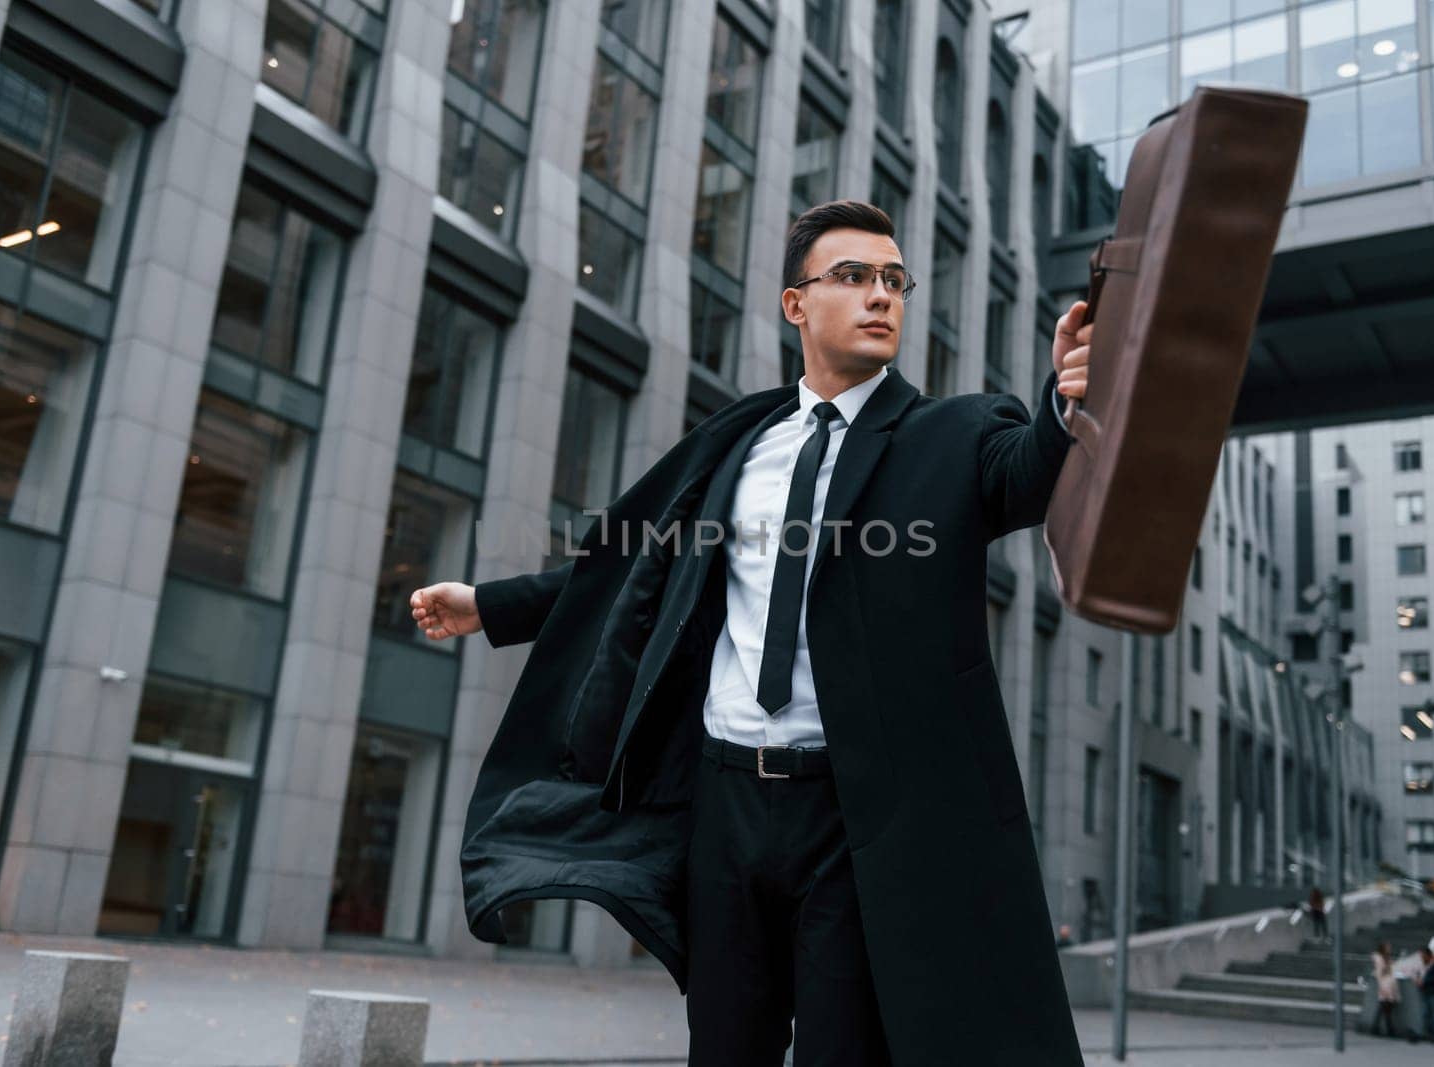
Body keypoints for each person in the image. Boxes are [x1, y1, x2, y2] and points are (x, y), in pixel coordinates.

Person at [409, 201, 1091, 1067]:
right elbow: (631, 575)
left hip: (853, 821)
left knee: (843, 1052)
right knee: (725, 1049)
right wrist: (490, 603)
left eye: (893, 280)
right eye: (852, 277)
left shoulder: (952, 436)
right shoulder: (741, 446)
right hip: (724, 808)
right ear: (795, 304)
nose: (881, 296)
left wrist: (1066, 405)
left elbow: (1027, 470)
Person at [1368, 941, 1400, 1037]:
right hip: (1385, 985)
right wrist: (1389, 966)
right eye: (1387, 947)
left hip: (1390, 985)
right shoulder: (1379, 959)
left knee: (1385, 1008)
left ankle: (1377, 1028)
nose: (1389, 949)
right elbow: (1381, 971)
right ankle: (1387, 1029)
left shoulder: (1386, 958)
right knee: (1385, 1007)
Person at [1416, 946, 1434, 1043]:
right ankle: (1428, 1034)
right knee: (1426, 1014)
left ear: (1428, 955)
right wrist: (1418, 980)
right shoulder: (1424, 965)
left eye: (1423, 956)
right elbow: (1420, 974)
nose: (1422, 958)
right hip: (1425, 992)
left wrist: (1424, 981)